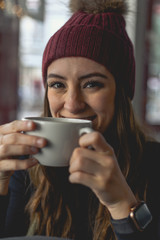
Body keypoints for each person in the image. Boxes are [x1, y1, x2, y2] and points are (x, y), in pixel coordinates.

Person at [0, 0, 160, 239]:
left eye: (92, 84)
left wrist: (121, 204)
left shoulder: (153, 164)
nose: (73, 104)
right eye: (57, 84)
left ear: (122, 93)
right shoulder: (25, 168)